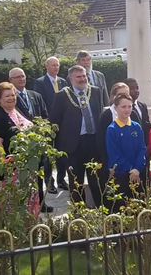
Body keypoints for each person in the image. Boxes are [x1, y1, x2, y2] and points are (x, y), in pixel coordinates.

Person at [51, 65, 104, 206]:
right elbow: (55, 122)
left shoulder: (96, 92)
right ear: (71, 79)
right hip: (73, 146)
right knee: (76, 183)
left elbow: (101, 116)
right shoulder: (62, 96)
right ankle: (79, 216)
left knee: (97, 181)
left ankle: (101, 212)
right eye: (78, 77)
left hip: (93, 143)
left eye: (84, 76)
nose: (82, 79)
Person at [0, 82, 41, 215]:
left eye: (13, 95)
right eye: (7, 96)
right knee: (11, 203)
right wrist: (5, 165)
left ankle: (29, 224)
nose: (11, 98)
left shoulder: (14, 110)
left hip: (24, 165)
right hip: (10, 168)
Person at [9, 68, 54, 211]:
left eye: (23, 76)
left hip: (37, 143)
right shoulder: (9, 97)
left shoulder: (35, 95)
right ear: (11, 80)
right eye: (17, 77)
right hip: (20, 144)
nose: (21, 79)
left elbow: (45, 116)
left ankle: (40, 203)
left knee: (39, 174)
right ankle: (24, 204)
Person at [106, 93, 147, 212]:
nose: (127, 109)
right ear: (116, 108)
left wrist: (137, 169)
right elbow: (114, 155)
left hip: (137, 175)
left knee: (138, 209)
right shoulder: (112, 129)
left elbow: (142, 149)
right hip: (121, 176)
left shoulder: (136, 127)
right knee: (122, 209)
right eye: (123, 107)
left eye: (129, 106)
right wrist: (130, 169)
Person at [34, 57, 68, 193]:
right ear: (46, 66)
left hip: (62, 124)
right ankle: (49, 183)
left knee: (61, 153)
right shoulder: (40, 82)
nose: (56, 67)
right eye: (53, 65)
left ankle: (61, 179)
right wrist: (48, 121)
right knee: (48, 155)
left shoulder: (63, 81)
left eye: (58, 65)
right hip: (47, 124)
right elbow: (40, 103)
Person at [96, 83, 140, 176]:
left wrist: (137, 167)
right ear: (113, 96)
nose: (124, 98)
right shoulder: (106, 116)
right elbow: (102, 142)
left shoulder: (133, 114)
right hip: (117, 168)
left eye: (126, 95)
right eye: (120, 95)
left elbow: (140, 144)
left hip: (135, 168)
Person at [123, 78, 151, 146]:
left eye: (137, 88)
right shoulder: (123, 108)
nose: (136, 91)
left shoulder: (142, 106)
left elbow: (147, 126)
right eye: (132, 88)